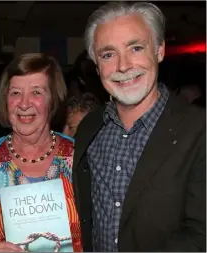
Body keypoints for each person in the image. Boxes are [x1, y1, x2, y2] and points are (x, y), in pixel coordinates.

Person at [72, 2, 206, 252]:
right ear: (97, 65)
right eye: (108, 54)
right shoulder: (89, 128)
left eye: (135, 48)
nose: (123, 66)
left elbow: (201, 237)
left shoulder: (200, 130)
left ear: (159, 50)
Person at [0, 53, 82, 252]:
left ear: (53, 99)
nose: (24, 103)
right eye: (15, 93)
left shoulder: (82, 158)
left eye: (36, 92)